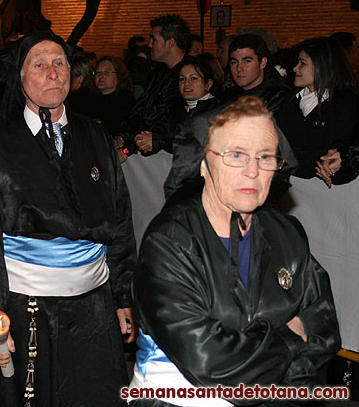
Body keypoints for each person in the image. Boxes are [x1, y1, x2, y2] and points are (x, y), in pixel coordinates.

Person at [131, 96, 341, 406]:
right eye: (236, 155)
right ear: (204, 164)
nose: (252, 171)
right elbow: (210, 363)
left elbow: (323, 331)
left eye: (266, 157)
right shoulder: (168, 243)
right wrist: (288, 338)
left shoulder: (287, 234)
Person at [0, 30, 137, 407]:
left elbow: (120, 218)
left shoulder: (95, 136)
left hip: (94, 303)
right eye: (39, 65)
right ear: (21, 77)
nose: (53, 73)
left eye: (59, 63)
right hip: (27, 302)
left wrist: (124, 294)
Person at [276, 37, 359, 182]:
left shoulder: (347, 104)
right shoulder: (289, 102)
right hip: (294, 190)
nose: (295, 68)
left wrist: (342, 158)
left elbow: (347, 149)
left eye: (302, 63)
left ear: (322, 66)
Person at [118, 14, 190, 156]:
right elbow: (141, 109)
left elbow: (173, 119)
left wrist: (157, 140)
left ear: (170, 43)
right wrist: (123, 136)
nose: (149, 44)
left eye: (154, 39)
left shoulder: (194, 74)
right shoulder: (157, 73)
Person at [223, 34, 290, 113]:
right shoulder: (227, 97)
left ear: (262, 63)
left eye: (247, 61)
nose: (239, 68)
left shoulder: (278, 98)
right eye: (234, 62)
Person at [92, 55, 135, 137]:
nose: (101, 76)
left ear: (119, 76)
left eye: (107, 72)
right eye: (98, 72)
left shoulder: (126, 101)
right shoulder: (90, 99)